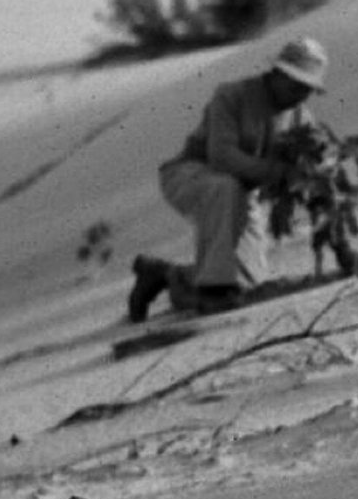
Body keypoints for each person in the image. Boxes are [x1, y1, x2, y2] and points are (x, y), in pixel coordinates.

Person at [127, 35, 328, 321]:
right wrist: (279, 172)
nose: (301, 95)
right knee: (224, 188)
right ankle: (213, 291)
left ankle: (163, 275)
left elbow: (313, 174)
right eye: (296, 85)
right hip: (192, 175)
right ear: (277, 74)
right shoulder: (232, 95)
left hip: (241, 196)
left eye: (308, 89)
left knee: (246, 282)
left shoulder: (300, 119)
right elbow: (222, 158)